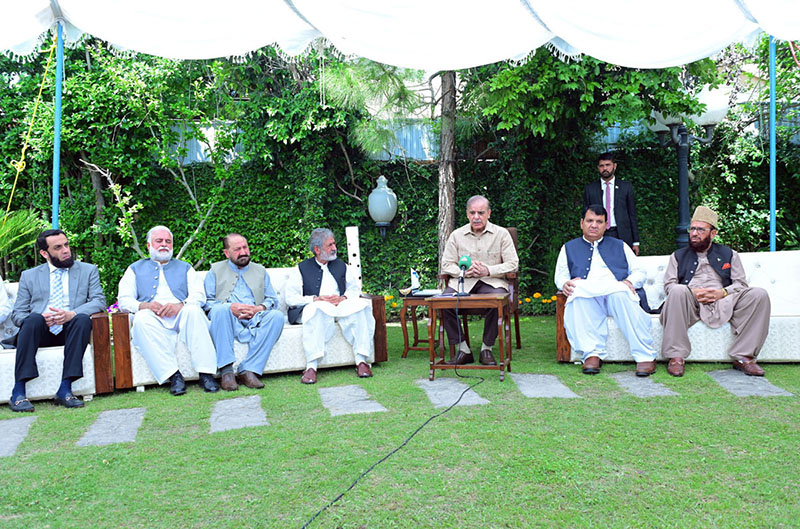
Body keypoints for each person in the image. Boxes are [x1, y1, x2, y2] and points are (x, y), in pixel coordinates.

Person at [660, 206, 770, 377]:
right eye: (692, 229)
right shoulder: (677, 256)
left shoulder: (730, 254)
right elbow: (669, 285)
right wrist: (692, 291)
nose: (694, 233)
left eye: (700, 229)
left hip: (724, 301)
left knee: (759, 294)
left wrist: (722, 293)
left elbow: (740, 284)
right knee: (677, 291)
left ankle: (744, 356)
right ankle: (676, 357)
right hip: (691, 301)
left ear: (713, 233)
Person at [7, 229, 106, 412]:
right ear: (45, 253)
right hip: (40, 331)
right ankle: (18, 391)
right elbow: (17, 314)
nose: (66, 250)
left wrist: (72, 314)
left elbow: (99, 301)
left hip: (70, 330)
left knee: (82, 319)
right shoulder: (29, 276)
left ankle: (65, 388)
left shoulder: (88, 270)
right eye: (58, 247)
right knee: (33, 319)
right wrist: (39, 318)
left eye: (66, 245)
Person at [555, 205, 657, 376]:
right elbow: (561, 275)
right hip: (588, 293)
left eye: (599, 222)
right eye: (589, 221)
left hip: (614, 291)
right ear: (582, 223)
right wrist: (564, 283)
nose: (594, 225)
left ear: (606, 225)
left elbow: (640, 271)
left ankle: (644, 355)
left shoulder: (620, 245)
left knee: (619, 293)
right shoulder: (568, 248)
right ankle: (592, 354)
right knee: (578, 294)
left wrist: (629, 281)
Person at [118, 225, 219, 395]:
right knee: (141, 319)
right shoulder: (134, 269)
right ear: (149, 245)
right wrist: (144, 306)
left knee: (194, 311)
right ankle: (174, 376)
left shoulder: (185, 267)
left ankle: (206, 374)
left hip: (182, 314)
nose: (164, 244)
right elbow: (123, 300)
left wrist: (181, 305)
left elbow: (199, 295)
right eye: (159, 241)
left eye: (168, 241)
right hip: (153, 317)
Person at [285, 228, 375, 384]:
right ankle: (311, 367)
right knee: (316, 310)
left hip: (339, 306)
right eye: (330, 245)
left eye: (334, 244)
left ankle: (361, 361)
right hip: (317, 306)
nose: (334, 248)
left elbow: (354, 288)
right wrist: (315, 299)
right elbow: (290, 297)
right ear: (317, 250)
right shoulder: (301, 268)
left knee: (361, 306)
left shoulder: (342, 266)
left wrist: (344, 297)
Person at [440, 195, 519, 365]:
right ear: (467, 214)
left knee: (497, 300)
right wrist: (463, 272)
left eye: (481, 213)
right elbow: (446, 264)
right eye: (473, 213)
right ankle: (463, 349)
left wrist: (488, 270)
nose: (477, 217)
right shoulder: (456, 235)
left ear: (488, 213)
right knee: (444, 302)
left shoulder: (501, 234)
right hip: (463, 283)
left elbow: (513, 264)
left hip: (491, 283)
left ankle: (486, 349)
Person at [204, 233, 284, 391]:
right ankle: (226, 371)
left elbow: (272, 299)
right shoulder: (214, 271)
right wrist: (230, 308)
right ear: (227, 253)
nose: (243, 252)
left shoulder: (260, 270)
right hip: (227, 318)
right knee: (220, 310)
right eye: (237, 249)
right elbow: (207, 303)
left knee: (277, 316)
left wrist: (258, 309)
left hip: (255, 317)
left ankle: (249, 369)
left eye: (245, 247)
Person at [583, 152, 640, 255]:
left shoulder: (626, 187)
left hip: (621, 233)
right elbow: (586, 215)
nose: (605, 168)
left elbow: (632, 214)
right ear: (598, 168)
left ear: (614, 166)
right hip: (599, 233)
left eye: (608, 165)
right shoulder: (590, 189)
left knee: (621, 266)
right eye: (602, 166)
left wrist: (635, 242)